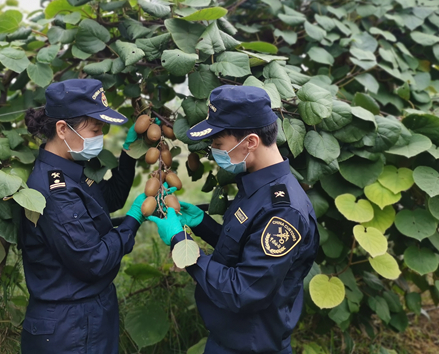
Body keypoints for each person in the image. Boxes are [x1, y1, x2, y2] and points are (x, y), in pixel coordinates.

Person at [148, 85, 320, 354]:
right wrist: (202, 224)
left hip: (251, 345)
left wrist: (181, 244)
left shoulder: (283, 210)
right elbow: (246, 251)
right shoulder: (256, 186)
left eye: (218, 145)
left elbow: (243, 290)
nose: (215, 153)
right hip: (228, 338)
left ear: (250, 142)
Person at [19, 79, 148, 354]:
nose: (99, 137)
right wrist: (132, 222)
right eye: (95, 129)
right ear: (63, 129)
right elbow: (94, 260)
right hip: (70, 326)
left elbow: (108, 200)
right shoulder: (55, 190)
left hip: (86, 315)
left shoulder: (72, 170)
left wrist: (128, 155)